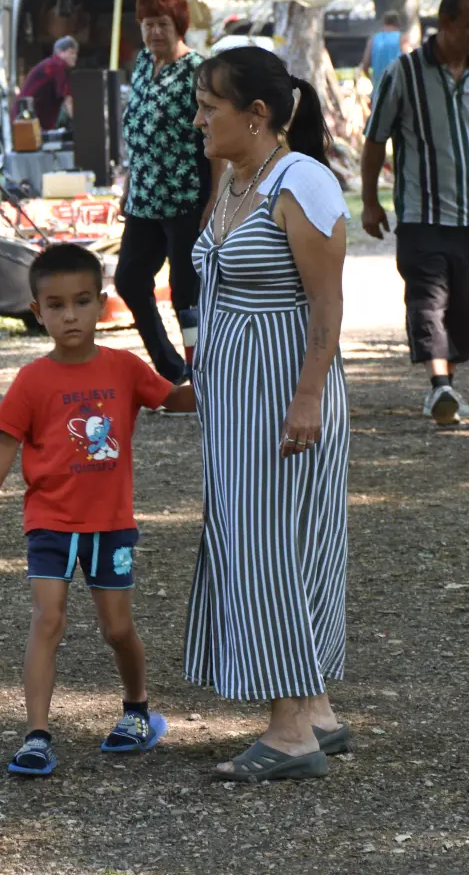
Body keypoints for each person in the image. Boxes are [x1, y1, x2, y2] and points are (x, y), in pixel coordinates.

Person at [185, 46, 351, 782]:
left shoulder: (302, 181)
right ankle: (313, 708)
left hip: (283, 390)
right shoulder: (234, 176)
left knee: (270, 548)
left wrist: (308, 396)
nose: (197, 121)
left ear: (255, 116)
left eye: (207, 108)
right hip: (235, 392)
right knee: (261, 539)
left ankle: (288, 733)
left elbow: (325, 304)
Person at [0, 244, 195, 776]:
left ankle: (138, 711)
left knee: (117, 630)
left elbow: (175, 399)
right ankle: (37, 736)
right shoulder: (32, 379)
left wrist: (222, 381)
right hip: (49, 522)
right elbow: (5, 442)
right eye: (55, 305)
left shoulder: (124, 368)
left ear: (101, 303)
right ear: (37, 311)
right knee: (47, 619)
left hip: (112, 527)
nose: (69, 315)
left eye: (81, 301)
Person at [363, 0, 469, 424]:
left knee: (465, 306)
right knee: (426, 298)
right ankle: (439, 386)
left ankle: (448, 383)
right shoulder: (402, 73)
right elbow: (375, 139)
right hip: (419, 213)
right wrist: (370, 201)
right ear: (444, 23)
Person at [118, 0, 219, 383]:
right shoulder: (144, 63)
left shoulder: (199, 71)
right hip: (144, 196)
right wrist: (129, 183)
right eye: (148, 25)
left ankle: (203, 373)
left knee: (185, 292)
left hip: (185, 196)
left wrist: (213, 197)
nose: (155, 32)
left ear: (180, 26)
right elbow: (138, 131)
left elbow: (215, 138)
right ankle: (170, 368)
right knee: (129, 279)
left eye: (163, 24)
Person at [13, 36, 78, 132]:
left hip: (28, 118)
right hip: (29, 120)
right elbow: (67, 99)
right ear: (60, 52)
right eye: (71, 52)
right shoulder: (57, 66)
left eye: (75, 53)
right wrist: (79, 122)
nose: (74, 56)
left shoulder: (53, 65)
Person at [360, 11, 405, 103]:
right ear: (398, 24)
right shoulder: (402, 39)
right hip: (399, 91)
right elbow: (410, 64)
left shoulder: (373, 40)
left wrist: (373, 80)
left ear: (384, 23)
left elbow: (365, 65)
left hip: (379, 90)